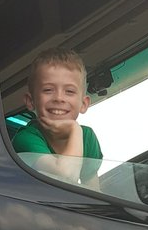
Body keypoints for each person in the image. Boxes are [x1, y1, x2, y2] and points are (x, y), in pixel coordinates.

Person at [12, 49, 102, 185]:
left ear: (83, 104)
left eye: (69, 91)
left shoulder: (87, 137)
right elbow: (65, 176)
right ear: (31, 101)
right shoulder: (26, 138)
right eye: (48, 90)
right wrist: (74, 129)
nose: (59, 98)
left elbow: (92, 189)